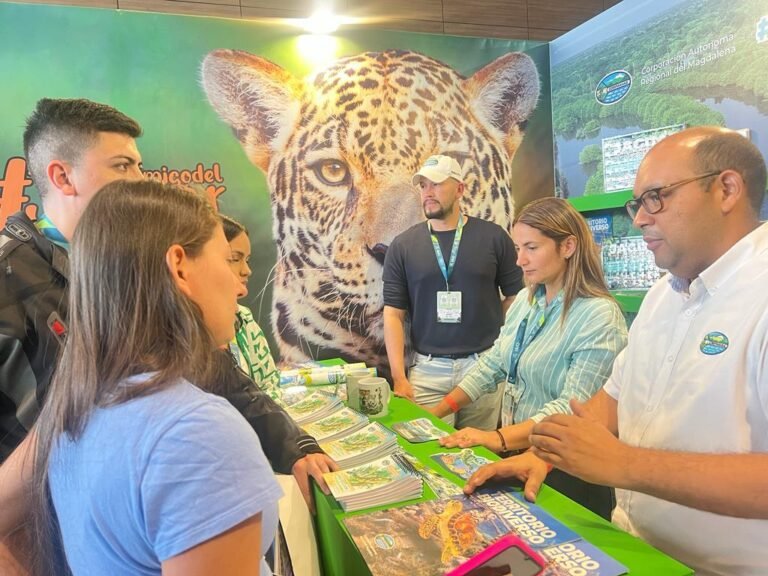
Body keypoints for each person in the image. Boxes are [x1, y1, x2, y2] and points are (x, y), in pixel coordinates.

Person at [465, 127, 768, 576]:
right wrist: (543, 456)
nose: (641, 218)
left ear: (726, 189)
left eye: (656, 197)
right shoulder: (663, 295)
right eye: (637, 203)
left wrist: (626, 464)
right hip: (629, 547)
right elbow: (613, 399)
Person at [33, 180, 281, 575]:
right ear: (179, 266)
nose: (238, 284)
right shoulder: (195, 433)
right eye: (226, 260)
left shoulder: (81, 405)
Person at [429, 197, 627, 518]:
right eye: (517, 248)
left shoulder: (598, 316)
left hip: (565, 472)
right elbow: (493, 365)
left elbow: (570, 408)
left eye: (531, 248)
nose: (520, 260)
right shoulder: (525, 300)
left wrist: (498, 438)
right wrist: (437, 411)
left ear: (568, 247)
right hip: (518, 456)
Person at [0, 98, 144, 462]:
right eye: (123, 166)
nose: (141, 182)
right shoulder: (7, 274)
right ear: (62, 177)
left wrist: (290, 443)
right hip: (36, 513)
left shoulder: (128, 265)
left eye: (139, 166)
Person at [383, 154, 523, 430]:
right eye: (423, 185)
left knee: (481, 454)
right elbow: (393, 315)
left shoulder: (494, 237)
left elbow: (516, 297)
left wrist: (499, 346)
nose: (428, 192)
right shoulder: (403, 246)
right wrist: (399, 377)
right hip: (427, 370)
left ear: (460, 188)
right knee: (430, 455)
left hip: (483, 367)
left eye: (436, 184)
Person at [220, 215, 280, 397]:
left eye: (247, 260)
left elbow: (269, 383)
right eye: (234, 258)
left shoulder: (243, 317)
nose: (247, 270)